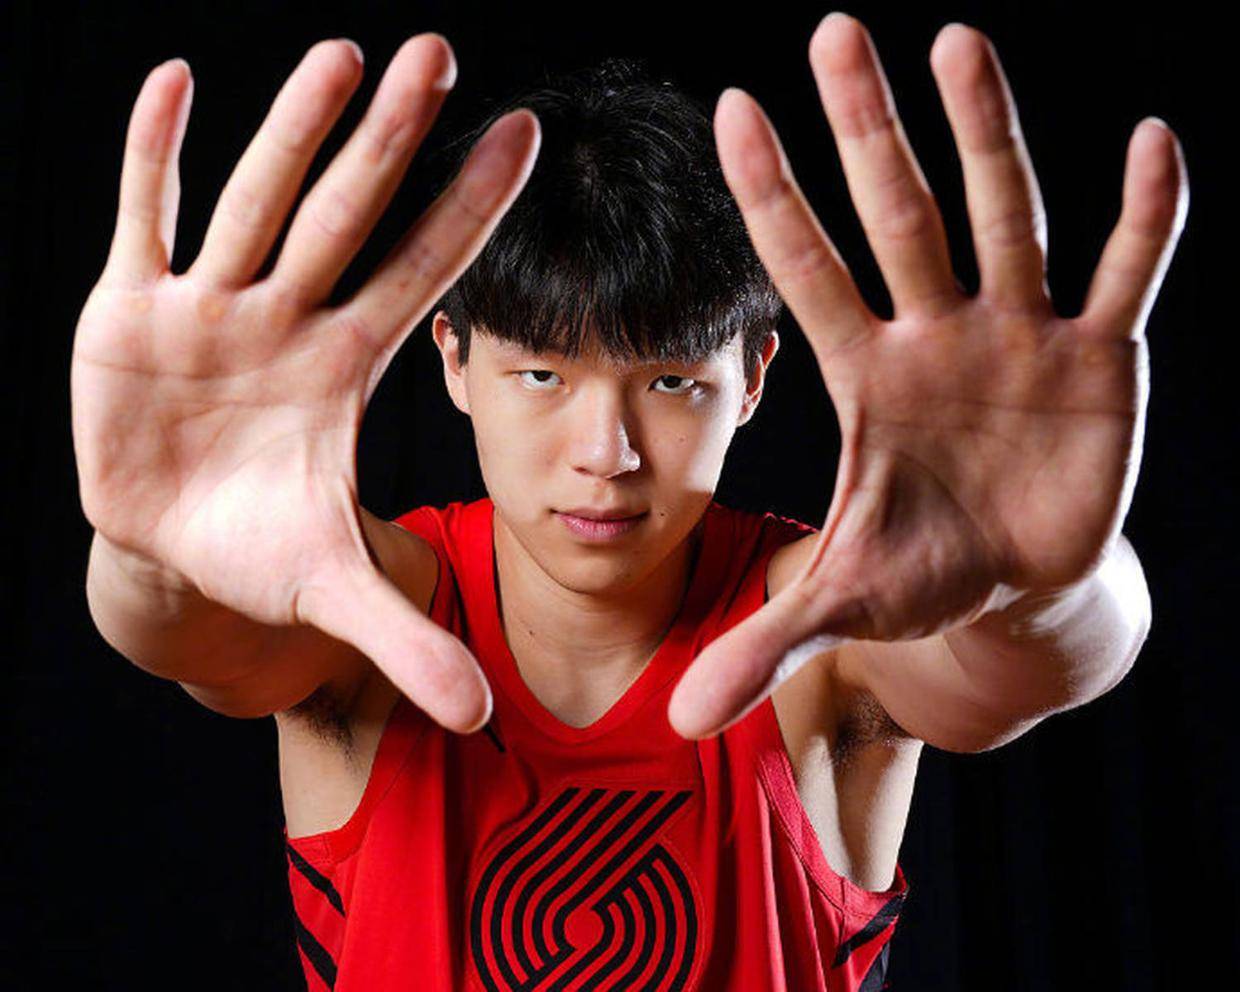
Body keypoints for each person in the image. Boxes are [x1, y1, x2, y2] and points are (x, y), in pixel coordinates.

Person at [70, 12, 1188, 992]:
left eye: (670, 383)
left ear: (753, 377)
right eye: (541, 376)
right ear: (453, 359)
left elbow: (1038, 663)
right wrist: (156, 549)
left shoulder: (826, 626)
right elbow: (182, 629)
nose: (604, 455)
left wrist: (1034, 578)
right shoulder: (368, 609)